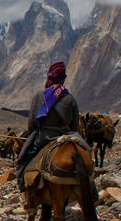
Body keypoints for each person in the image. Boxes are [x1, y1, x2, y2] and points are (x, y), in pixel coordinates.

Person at [15, 61, 80, 190]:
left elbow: (32, 123)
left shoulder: (40, 96)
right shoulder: (70, 98)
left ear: (49, 78)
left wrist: (33, 135)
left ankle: (24, 188)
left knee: (22, 159)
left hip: (44, 137)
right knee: (86, 154)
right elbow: (75, 125)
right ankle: (92, 191)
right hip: (66, 136)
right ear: (63, 79)